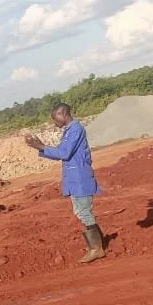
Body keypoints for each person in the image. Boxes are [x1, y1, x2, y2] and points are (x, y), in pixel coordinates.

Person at [25, 103, 105, 264]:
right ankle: (96, 245)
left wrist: (41, 146)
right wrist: (40, 148)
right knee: (80, 211)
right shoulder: (70, 131)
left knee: (84, 211)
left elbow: (64, 153)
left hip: (80, 178)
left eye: (55, 118)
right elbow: (61, 153)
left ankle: (97, 249)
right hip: (74, 178)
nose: (55, 122)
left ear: (62, 115)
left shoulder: (75, 130)